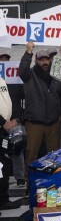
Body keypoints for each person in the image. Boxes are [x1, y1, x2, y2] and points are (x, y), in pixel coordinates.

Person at [19, 44, 61, 179]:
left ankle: (52, 180)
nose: (45, 62)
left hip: (53, 123)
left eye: (47, 59)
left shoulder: (55, 75)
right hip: (34, 123)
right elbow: (22, 70)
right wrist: (28, 52)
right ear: (36, 60)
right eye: (41, 60)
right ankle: (29, 182)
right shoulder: (29, 75)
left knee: (54, 155)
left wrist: (60, 115)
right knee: (31, 154)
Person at [0, 75, 21, 210]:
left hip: (4, 130)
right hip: (2, 126)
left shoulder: (1, 80)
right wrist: (3, 123)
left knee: (5, 164)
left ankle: (3, 199)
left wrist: (12, 119)